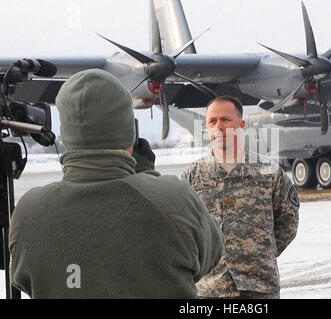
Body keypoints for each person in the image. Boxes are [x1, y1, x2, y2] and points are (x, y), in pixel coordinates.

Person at [8, 69, 224, 299]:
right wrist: (144, 175)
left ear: (67, 133)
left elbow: (24, 279)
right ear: (128, 131)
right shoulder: (175, 198)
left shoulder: (29, 211)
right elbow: (212, 253)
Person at [182, 96, 300, 299]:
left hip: (259, 289)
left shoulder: (269, 172)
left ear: (241, 125)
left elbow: (287, 224)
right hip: (209, 290)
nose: (218, 127)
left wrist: (259, 254)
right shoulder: (192, 177)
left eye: (226, 120)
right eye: (212, 121)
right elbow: (182, 229)